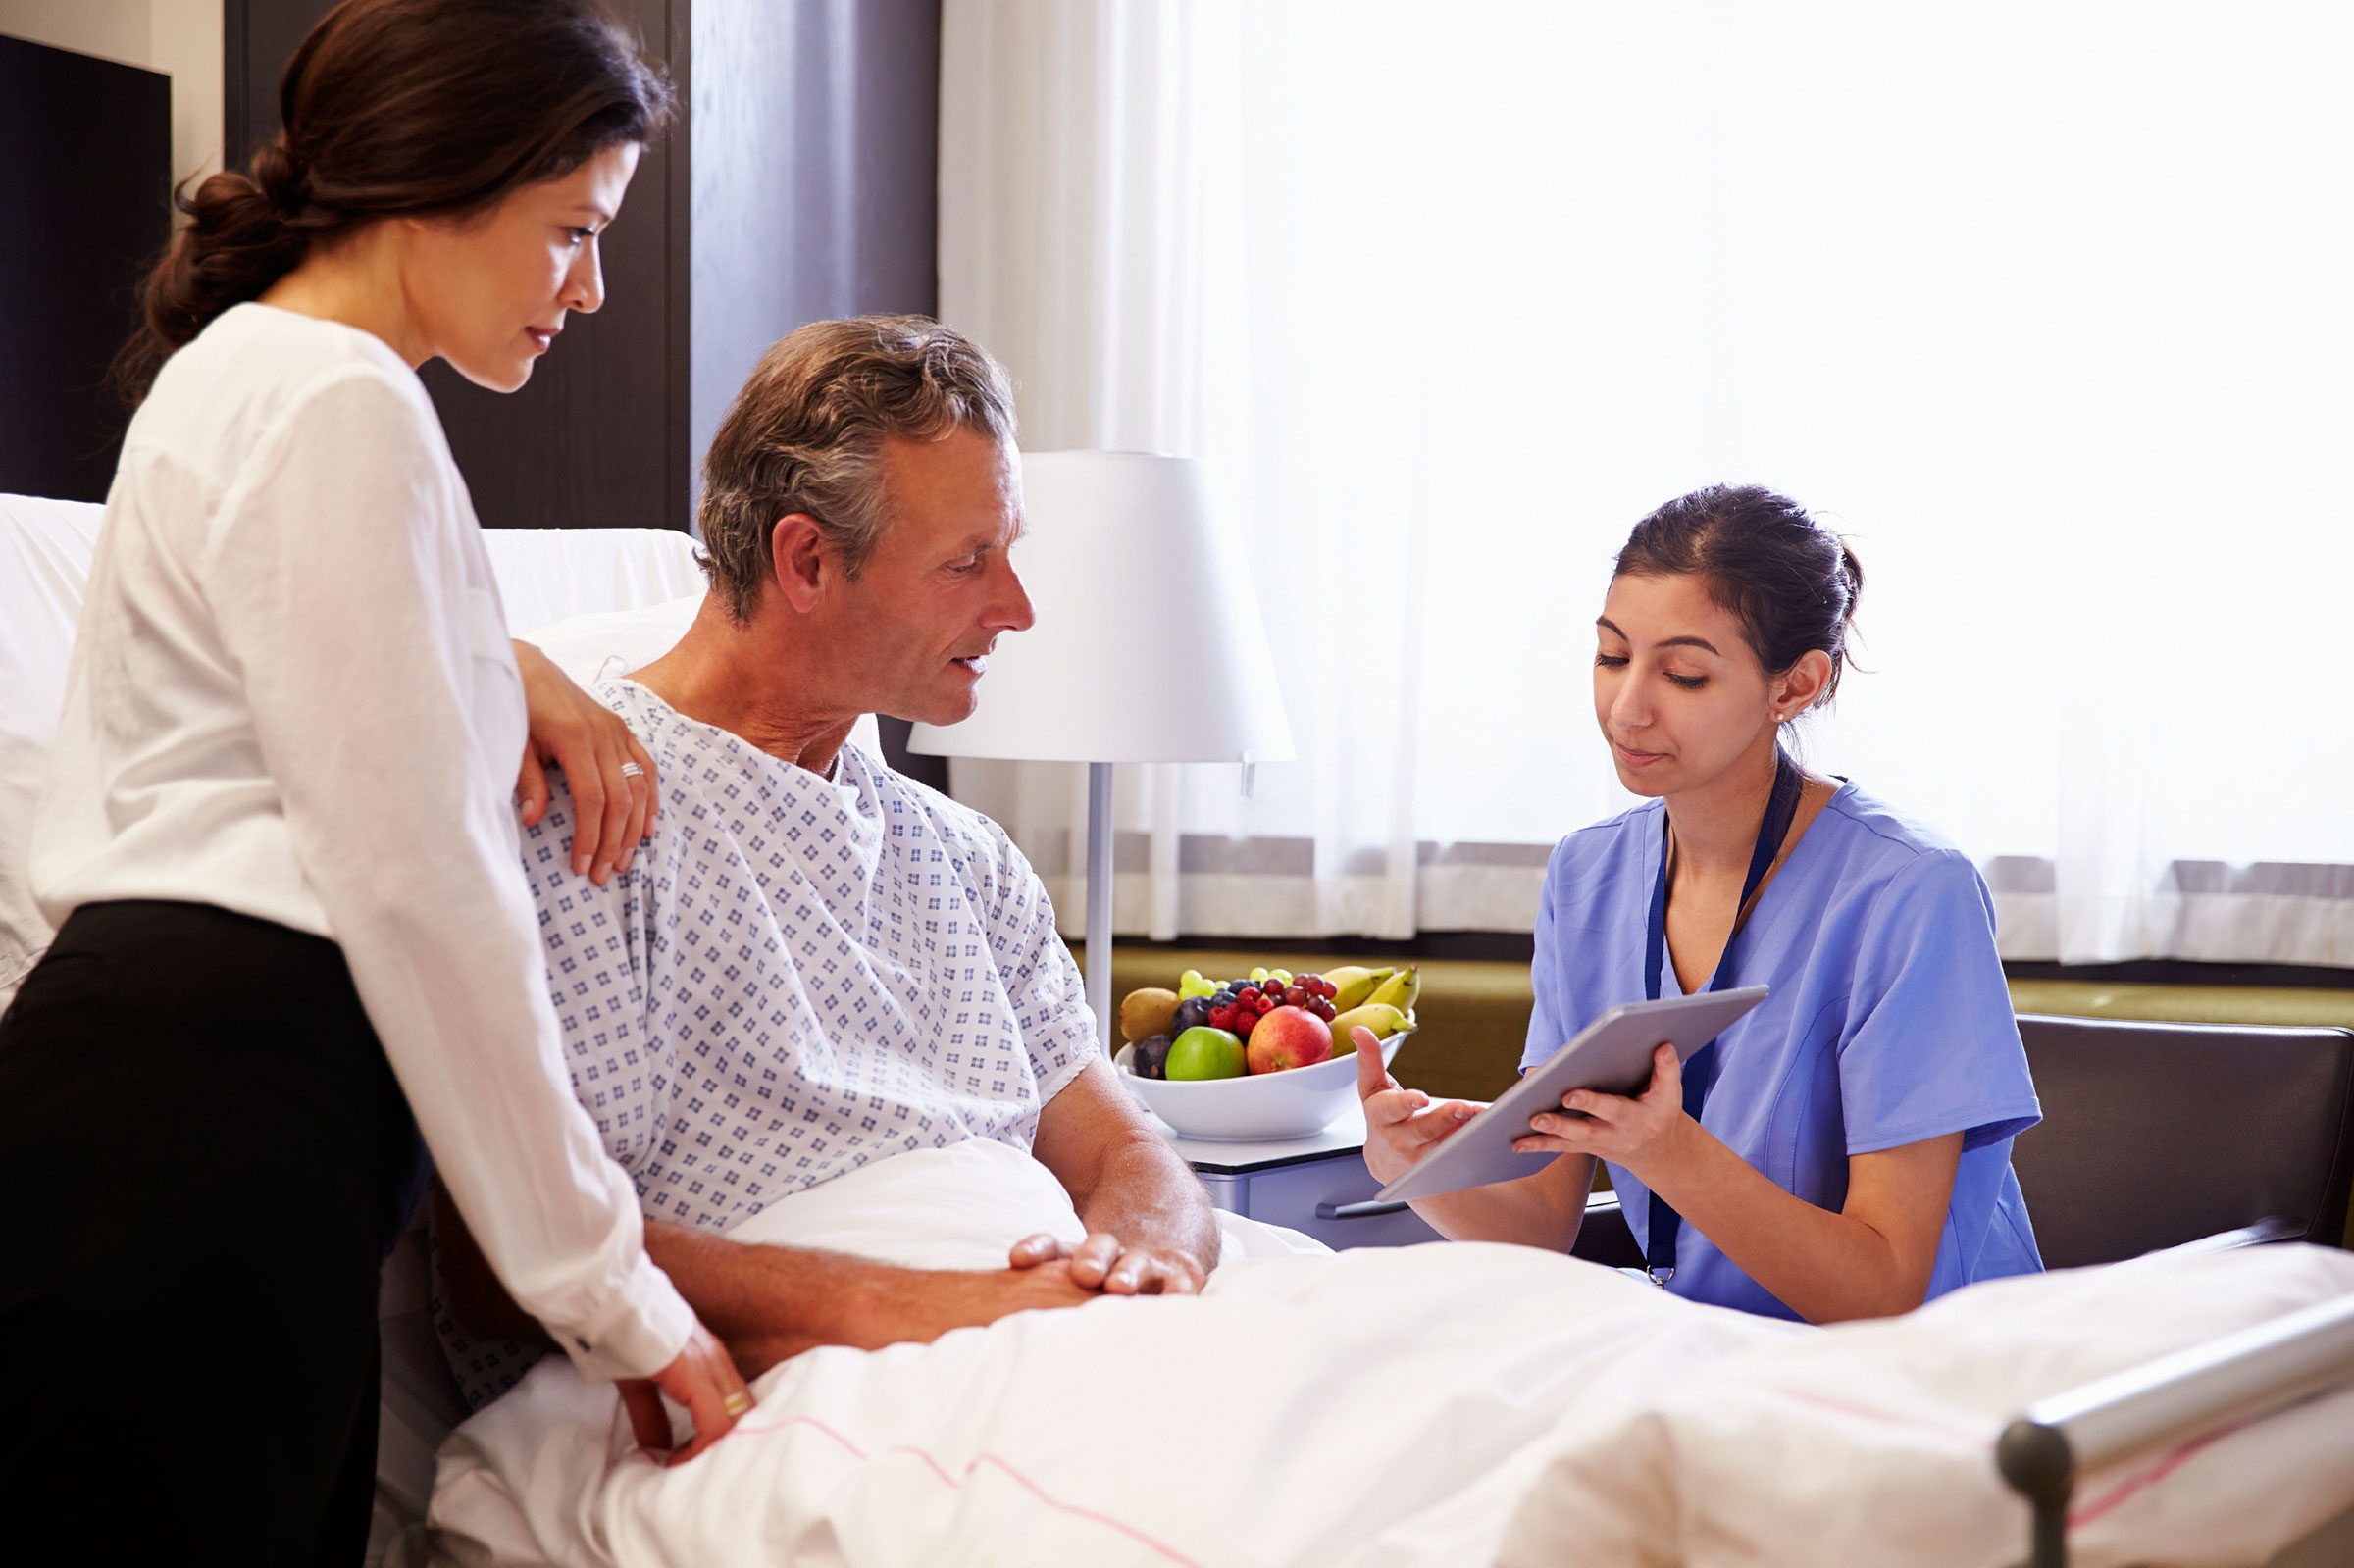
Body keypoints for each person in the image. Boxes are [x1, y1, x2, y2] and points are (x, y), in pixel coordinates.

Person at [0, 2, 748, 1558]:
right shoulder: (343, 402)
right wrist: (617, 1296)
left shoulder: (237, 376)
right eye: (569, 230)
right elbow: (425, 890)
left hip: (166, 1115)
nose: (591, 287)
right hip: (215, 1132)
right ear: (446, 178)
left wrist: (503, 663)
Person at [432, 316, 1220, 1404]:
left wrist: (1148, 1259)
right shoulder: (588, 821)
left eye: (1010, 553)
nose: (1017, 611)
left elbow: (1124, 1150)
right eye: (968, 562)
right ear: (807, 559)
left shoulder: (968, 860)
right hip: (813, 1380)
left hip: (1053, 1332)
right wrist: (930, 1309)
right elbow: (503, 1259)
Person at [1356, 484, 2043, 1323]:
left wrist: (1670, 1152)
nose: (1628, 707)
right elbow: (1539, 1223)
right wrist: (1414, 1169)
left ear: (1796, 685)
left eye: (1683, 673)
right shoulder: (1589, 874)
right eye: (1612, 657)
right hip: (1706, 1355)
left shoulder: (1911, 891)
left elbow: (1885, 1291)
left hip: (1922, 1379)